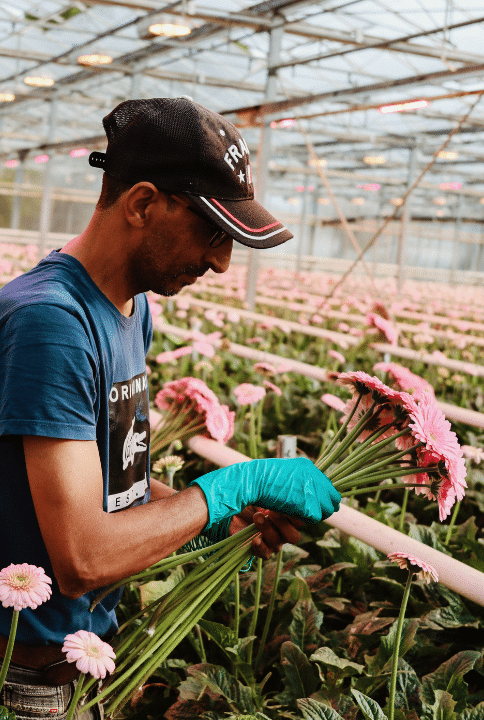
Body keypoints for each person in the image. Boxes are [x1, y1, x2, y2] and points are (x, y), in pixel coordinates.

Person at [0, 97, 340, 719]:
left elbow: (111, 479)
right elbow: (82, 557)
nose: (220, 261)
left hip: (87, 655)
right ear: (141, 204)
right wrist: (231, 487)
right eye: (213, 231)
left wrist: (200, 518)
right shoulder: (53, 322)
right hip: (26, 679)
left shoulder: (133, 309)